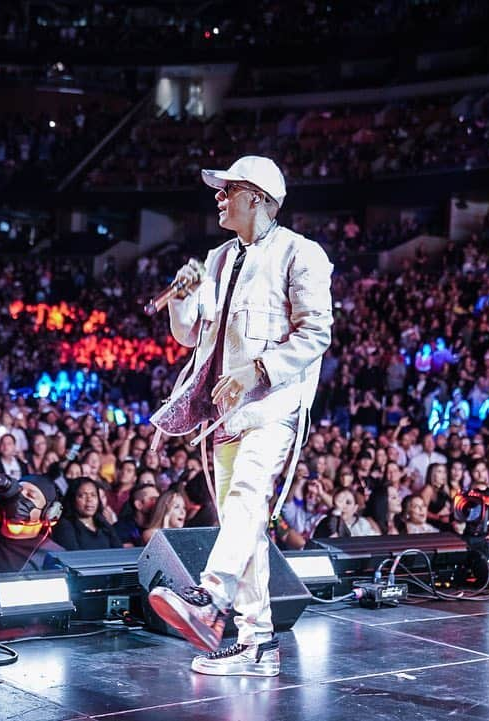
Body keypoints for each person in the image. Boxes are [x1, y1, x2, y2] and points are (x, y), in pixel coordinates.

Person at [147, 155, 333, 677]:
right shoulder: (219, 258)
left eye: (227, 190)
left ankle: (209, 597)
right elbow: (191, 337)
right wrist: (182, 300)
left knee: (249, 497)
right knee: (240, 522)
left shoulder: (302, 254)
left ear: (257, 196)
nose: (218, 198)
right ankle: (257, 644)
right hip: (224, 413)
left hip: (273, 406)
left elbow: (316, 333)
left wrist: (259, 370)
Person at [51, 477, 122, 550]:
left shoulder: (103, 523)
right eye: (82, 495)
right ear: (73, 499)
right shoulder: (64, 526)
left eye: (93, 495)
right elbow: (73, 557)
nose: (89, 499)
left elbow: (120, 552)